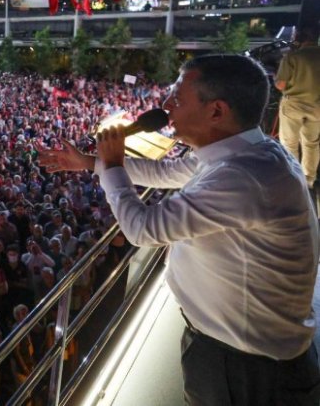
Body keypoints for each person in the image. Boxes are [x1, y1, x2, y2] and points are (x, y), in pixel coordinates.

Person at [38, 54, 320, 405]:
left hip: (245, 367)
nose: (166, 105)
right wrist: (89, 163)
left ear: (216, 111)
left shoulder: (243, 177)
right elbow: (166, 174)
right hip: (240, 349)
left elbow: (143, 229)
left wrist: (112, 166)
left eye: (178, 98)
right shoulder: (246, 153)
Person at [276, 23, 320, 189]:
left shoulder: (292, 57)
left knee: (289, 143)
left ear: (300, 38)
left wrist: (276, 79)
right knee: (311, 143)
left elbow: (280, 84)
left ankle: (294, 179)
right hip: (317, 107)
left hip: (293, 106)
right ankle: (309, 179)